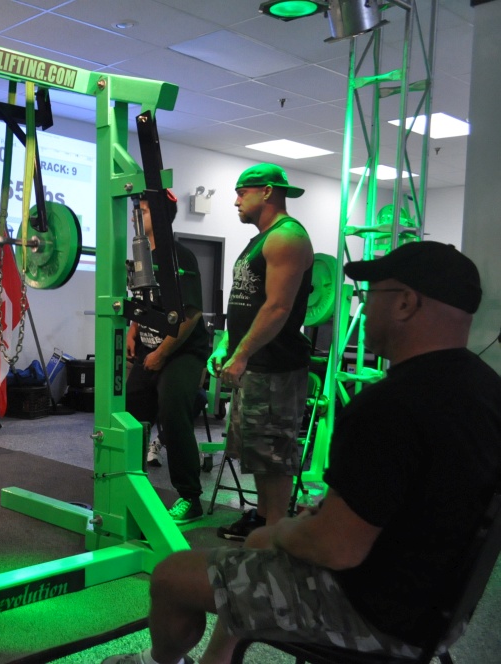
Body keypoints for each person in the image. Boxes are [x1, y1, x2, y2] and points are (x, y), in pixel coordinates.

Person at [103, 241, 501, 664]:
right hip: (438, 611)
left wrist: (280, 532)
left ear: (405, 303)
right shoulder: (487, 390)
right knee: (251, 560)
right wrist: (329, 516)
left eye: (371, 295)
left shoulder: (390, 405)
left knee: (174, 574)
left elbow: (337, 548)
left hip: (372, 614)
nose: (364, 309)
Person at [207, 164, 314, 541]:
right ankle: (264, 517)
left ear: (267, 191)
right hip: (255, 364)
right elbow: (245, 301)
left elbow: (278, 307)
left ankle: (276, 533)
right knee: (257, 452)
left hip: (276, 367)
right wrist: (226, 344)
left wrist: (241, 354)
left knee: (274, 455)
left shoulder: (287, 237)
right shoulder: (260, 240)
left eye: (242, 192)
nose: (236, 201)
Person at [125, 193, 212, 524]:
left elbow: (191, 314)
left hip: (182, 352)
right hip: (149, 350)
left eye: (144, 211)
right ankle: (130, 485)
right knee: (129, 412)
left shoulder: (180, 256)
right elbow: (142, 300)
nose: (136, 216)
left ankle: (190, 498)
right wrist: (133, 331)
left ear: (161, 216)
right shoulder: (141, 255)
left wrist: (162, 353)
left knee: (172, 410)